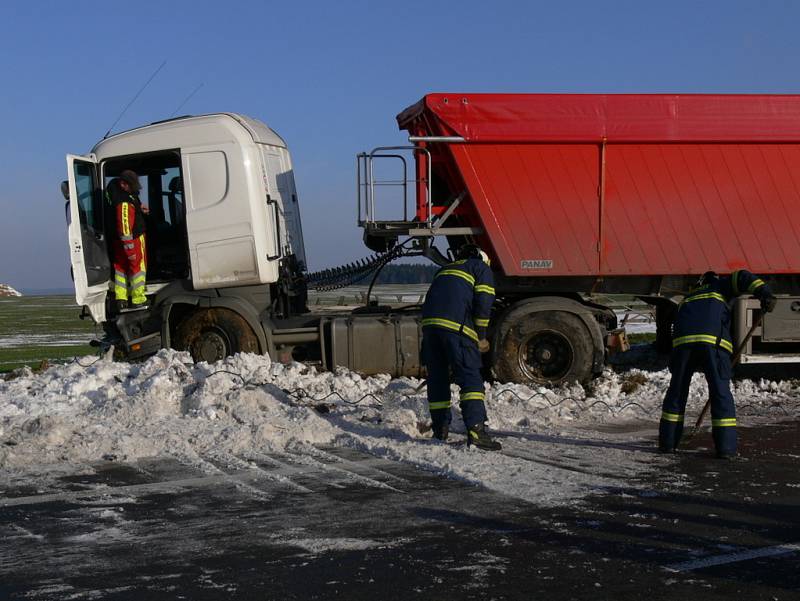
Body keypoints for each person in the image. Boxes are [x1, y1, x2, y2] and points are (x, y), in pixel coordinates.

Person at [659, 269, 777, 458]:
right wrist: (765, 293)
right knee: (720, 392)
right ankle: (726, 450)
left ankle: (668, 444)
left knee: (677, 392)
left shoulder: (689, 296)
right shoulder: (720, 286)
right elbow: (743, 277)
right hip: (712, 342)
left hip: (682, 344)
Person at [421, 243, 501, 451]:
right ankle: (476, 432)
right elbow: (484, 302)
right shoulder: (480, 268)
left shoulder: (445, 269)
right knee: (470, 377)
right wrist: (480, 337)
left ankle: (440, 430)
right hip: (456, 328)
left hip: (430, 329)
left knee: (437, 378)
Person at [106, 169, 149, 310]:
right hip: (132, 240)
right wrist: (129, 248)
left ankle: (121, 298)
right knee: (137, 268)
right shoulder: (124, 202)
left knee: (120, 269)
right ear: (123, 184)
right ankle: (138, 299)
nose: (134, 189)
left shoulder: (119, 195)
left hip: (119, 241)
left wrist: (139, 208)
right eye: (131, 186)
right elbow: (125, 227)